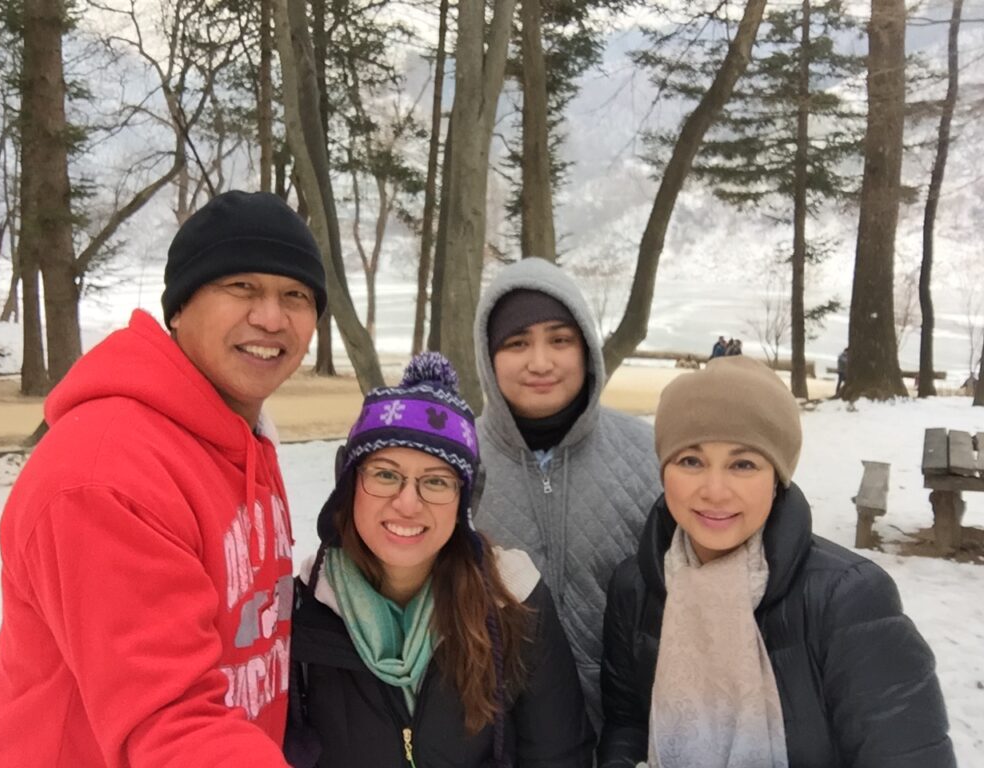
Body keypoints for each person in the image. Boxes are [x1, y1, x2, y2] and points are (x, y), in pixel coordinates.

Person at [0, 191, 327, 767]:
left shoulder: (241, 439)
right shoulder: (105, 475)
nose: (271, 317)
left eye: (296, 295)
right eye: (241, 288)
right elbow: (173, 722)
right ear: (180, 306)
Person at [599, 356, 956, 767]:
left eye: (743, 464)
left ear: (777, 478)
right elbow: (627, 725)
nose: (714, 490)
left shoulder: (849, 600)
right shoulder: (637, 586)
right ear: (664, 471)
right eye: (691, 461)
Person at [284, 352, 594, 768]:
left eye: (435, 481)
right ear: (348, 484)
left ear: (465, 501)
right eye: (385, 474)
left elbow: (558, 757)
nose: (407, 503)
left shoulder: (514, 603)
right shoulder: (300, 609)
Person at [471, 257, 661, 728]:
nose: (540, 362)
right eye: (517, 343)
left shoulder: (648, 455)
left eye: (559, 340)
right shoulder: (455, 460)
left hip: (630, 730)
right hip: (494, 731)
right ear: (488, 356)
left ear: (585, 349)